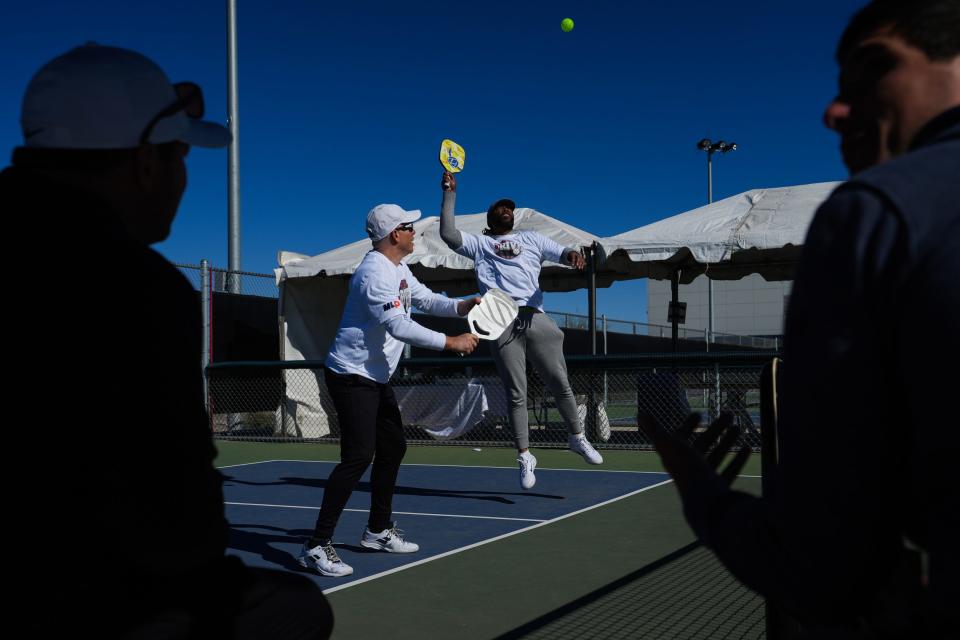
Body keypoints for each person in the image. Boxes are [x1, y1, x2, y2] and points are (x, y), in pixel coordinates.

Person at [639, 1, 960, 637]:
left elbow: (817, 571)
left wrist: (697, 485)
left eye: (873, 68)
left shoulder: (876, 214)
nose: (834, 111)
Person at [5, 44, 333, 638]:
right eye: (180, 154)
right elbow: (176, 520)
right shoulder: (131, 287)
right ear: (146, 163)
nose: (183, 177)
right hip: (69, 601)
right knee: (297, 610)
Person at [298, 203, 481, 577]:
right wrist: (451, 343)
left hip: (375, 377)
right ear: (394, 234)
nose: (415, 231)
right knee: (358, 456)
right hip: (351, 375)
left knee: (394, 446)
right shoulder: (372, 274)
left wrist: (461, 306)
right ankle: (316, 545)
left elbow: (425, 299)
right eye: (409, 226)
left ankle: (377, 530)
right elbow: (398, 325)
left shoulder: (398, 267)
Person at [439, 173, 603, 490]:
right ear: (490, 219)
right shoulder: (481, 244)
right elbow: (447, 233)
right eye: (500, 208)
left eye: (509, 208)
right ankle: (525, 456)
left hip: (535, 316)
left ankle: (577, 437)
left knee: (560, 382)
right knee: (517, 392)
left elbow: (564, 253)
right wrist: (450, 193)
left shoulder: (532, 239)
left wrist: (573, 257)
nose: (506, 210)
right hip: (499, 320)